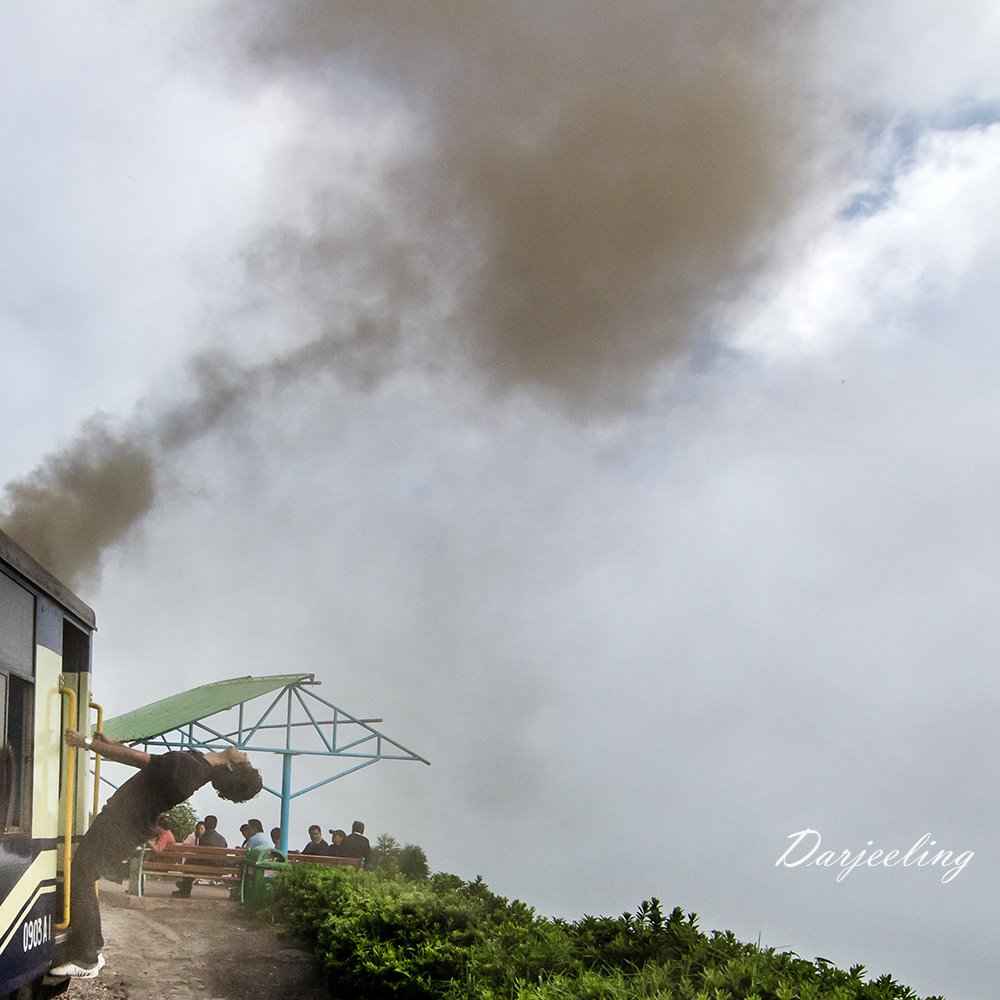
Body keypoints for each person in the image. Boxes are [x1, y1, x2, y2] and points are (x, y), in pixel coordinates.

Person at [51, 728, 262, 979]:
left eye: (246, 761)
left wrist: (86, 743)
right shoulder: (196, 765)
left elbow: (139, 760)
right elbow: (149, 761)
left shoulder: (190, 769)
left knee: (81, 875)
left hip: (122, 825)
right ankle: (93, 946)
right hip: (127, 824)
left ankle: (86, 958)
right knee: (85, 874)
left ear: (231, 767)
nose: (246, 754)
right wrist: (112, 744)